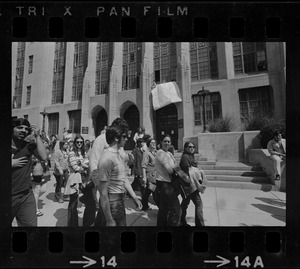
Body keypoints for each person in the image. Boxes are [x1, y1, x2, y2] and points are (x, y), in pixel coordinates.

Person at [94, 125, 142, 226]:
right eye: (124, 136)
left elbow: (123, 178)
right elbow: (103, 193)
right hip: (112, 202)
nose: (127, 139)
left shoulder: (118, 155)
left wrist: (134, 197)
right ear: (116, 138)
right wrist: (109, 219)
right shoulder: (106, 159)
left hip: (119, 200)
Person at [11, 118, 47, 226]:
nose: (23, 130)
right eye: (19, 127)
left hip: (26, 195)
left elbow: (44, 156)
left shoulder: (29, 145)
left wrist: (37, 136)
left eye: (26, 129)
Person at [155, 134, 184, 226]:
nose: (167, 143)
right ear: (161, 142)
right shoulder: (160, 153)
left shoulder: (170, 154)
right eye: (165, 141)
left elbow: (176, 167)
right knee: (176, 208)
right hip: (163, 183)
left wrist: (184, 176)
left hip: (169, 182)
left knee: (164, 208)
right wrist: (176, 170)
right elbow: (170, 170)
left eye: (168, 141)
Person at [179, 142, 206, 226]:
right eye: (189, 147)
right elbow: (189, 171)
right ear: (185, 148)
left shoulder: (190, 156)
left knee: (185, 204)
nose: (192, 148)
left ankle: (180, 221)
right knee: (199, 204)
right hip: (189, 185)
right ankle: (200, 225)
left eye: (193, 147)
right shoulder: (185, 157)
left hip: (191, 184)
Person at [64, 135, 89, 226]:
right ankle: (72, 225)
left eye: (81, 142)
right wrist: (84, 167)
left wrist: (83, 165)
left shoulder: (84, 152)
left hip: (83, 177)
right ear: (74, 143)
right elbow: (75, 167)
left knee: (89, 199)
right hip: (75, 178)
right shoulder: (71, 152)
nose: (79, 144)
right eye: (77, 142)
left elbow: (86, 162)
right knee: (73, 202)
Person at [31, 139, 52, 217]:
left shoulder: (47, 151)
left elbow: (48, 163)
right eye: (44, 142)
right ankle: (35, 209)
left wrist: (48, 158)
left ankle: (31, 200)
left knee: (43, 190)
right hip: (37, 173)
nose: (45, 144)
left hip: (45, 173)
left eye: (46, 142)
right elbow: (32, 160)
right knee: (36, 191)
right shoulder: (35, 151)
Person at [141, 138, 159, 210]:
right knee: (155, 191)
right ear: (148, 144)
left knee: (148, 191)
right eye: (152, 143)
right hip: (150, 175)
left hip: (156, 175)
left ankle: (144, 205)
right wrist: (144, 177)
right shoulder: (146, 153)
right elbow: (143, 166)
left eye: (155, 142)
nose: (154, 144)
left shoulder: (156, 152)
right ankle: (160, 208)